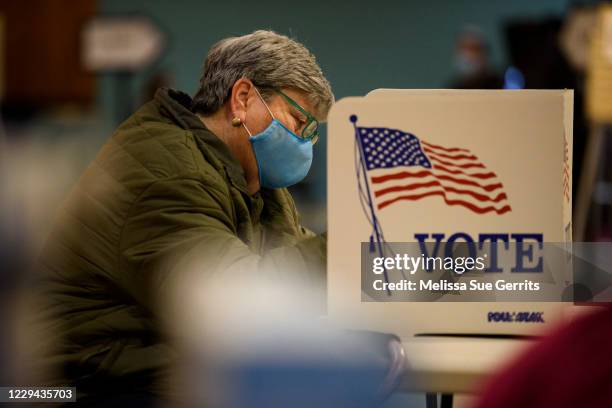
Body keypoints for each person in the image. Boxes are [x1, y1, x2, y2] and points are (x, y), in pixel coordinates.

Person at [32, 30, 334, 404]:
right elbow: (236, 310)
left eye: (312, 133)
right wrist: (347, 251)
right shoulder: (166, 171)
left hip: (152, 370)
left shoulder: (258, 183)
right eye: (298, 121)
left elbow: (289, 281)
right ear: (241, 100)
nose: (305, 142)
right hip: (79, 387)